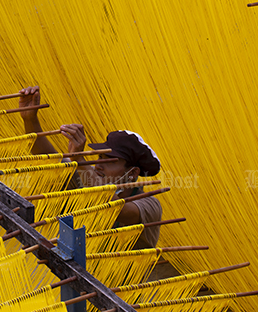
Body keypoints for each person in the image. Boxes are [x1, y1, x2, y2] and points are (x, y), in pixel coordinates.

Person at [18, 86, 163, 250]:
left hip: (109, 276)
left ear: (133, 173)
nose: (99, 165)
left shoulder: (150, 205)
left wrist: (79, 159)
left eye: (110, 161)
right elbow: (47, 157)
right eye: (100, 157)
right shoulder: (87, 178)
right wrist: (30, 119)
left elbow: (117, 209)